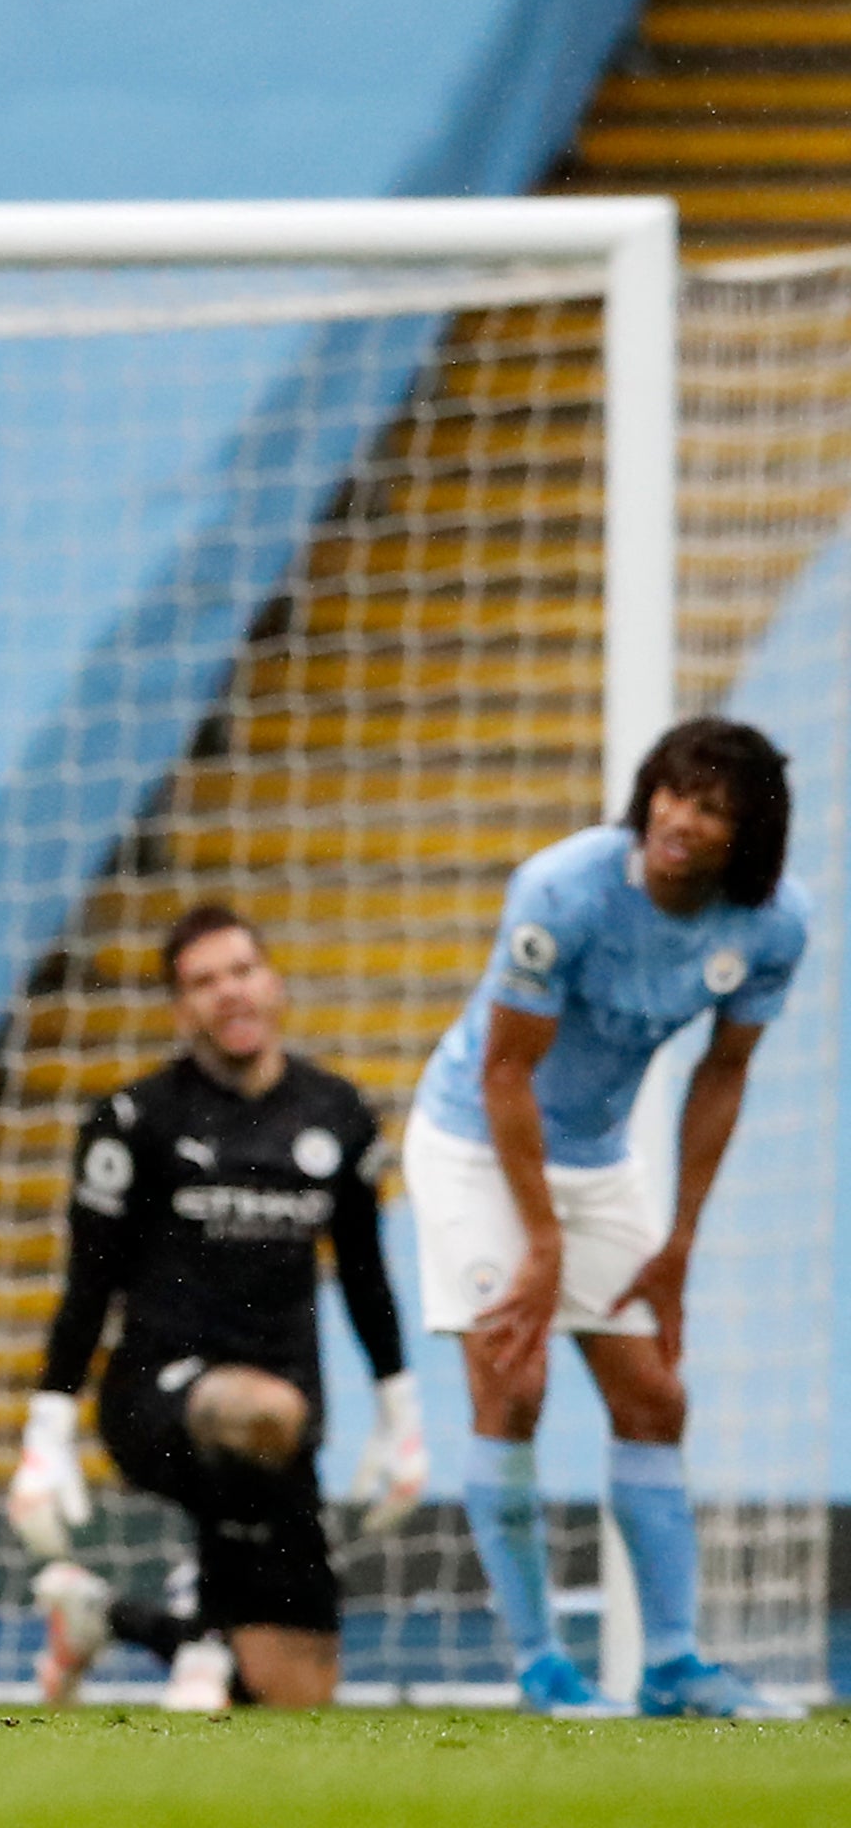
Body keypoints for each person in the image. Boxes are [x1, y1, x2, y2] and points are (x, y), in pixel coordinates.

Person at [405, 717, 810, 1721]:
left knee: (655, 1398)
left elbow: (722, 1077)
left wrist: (678, 1242)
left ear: (749, 832)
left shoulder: (772, 925)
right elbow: (506, 1071)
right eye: (673, 791)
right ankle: (544, 1664)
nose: (681, 818)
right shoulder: (563, 890)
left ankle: (674, 1663)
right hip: (475, 1141)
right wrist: (543, 1244)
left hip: (596, 1156)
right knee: (517, 1384)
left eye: (713, 807)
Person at [5, 905, 425, 1712]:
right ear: (179, 1010)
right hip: (160, 1402)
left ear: (274, 985)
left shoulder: (336, 1114)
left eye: (242, 971)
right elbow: (88, 1284)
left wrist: (399, 1416)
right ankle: (200, 1613)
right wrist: (46, 1433)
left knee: (292, 1696)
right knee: (260, 1410)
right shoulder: (136, 1122)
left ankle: (111, 1618)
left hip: (285, 1429)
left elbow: (367, 1276)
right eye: (204, 982)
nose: (229, 993)